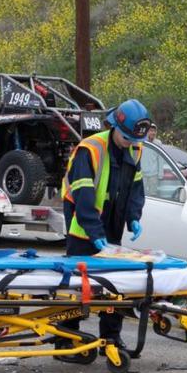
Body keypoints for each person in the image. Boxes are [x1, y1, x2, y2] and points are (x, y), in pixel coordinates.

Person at [57, 98, 150, 352]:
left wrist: (133, 217)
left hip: (112, 225)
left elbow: (135, 187)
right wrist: (94, 232)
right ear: (114, 127)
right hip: (82, 226)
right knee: (77, 286)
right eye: (127, 138)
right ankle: (66, 338)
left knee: (114, 285)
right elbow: (83, 196)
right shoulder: (90, 149)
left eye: (135, 139)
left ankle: (111, 337)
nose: (130, 143)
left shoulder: (135, 149)